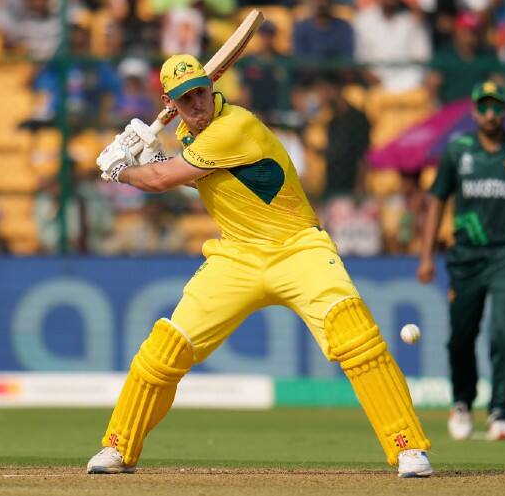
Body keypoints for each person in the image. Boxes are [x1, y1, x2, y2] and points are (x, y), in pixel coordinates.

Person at [90, 55, 433, 478]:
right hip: (236, 256)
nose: (197, 104)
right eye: (185, 98)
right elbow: (184, 177)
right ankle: (117, 447)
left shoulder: (237, 126)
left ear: (211, 86)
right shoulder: (187, 133)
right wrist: (154, 154)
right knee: (164, 351)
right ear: (169, 101)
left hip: (297, 248)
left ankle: (408, 448)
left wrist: (123, 169)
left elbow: (162, 182)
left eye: (201, 92)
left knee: (355, 337)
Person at [416, 81, 505, 442]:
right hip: (464, 258)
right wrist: (427, 255)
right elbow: (436, 202)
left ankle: (500, 410)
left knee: (504, 331)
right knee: (461, 336)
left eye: (496, 107)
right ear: (474, 111)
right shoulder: (457, 151)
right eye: (484, 107)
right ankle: (462, 402)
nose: (490, 114)